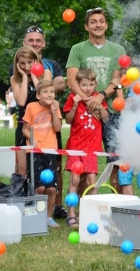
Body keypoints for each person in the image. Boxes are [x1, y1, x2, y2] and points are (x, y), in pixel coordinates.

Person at [66, 8, 125, 193]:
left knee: (115, 160)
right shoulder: (78, 49)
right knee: (84, 161)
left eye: (101, 21)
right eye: (93, 22)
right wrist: (87, 101)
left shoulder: (117, 49)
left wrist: (99, 97)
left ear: (106, 25)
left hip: (110, 111)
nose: (98, 25)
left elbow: (116, 80)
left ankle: (117, 202)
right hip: (85, 114)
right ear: (86, 26)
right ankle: (84, 202)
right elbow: (71, 80)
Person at [63, 68, 108, 229]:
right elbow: (68, 120)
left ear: (95, 84)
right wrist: (75, 106)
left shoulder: (98, 99)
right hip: (76, 147)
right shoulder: (72, 98)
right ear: (78, 85)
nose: (87, 88)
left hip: (92, 148)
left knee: (92, 182)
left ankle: (91, 214)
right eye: (83, 85)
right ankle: (71, 215)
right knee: (74, 180)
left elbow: (106, 118)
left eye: (90, 85)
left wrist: (101, 108)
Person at [21, 80, 62, 228]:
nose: (49, 94)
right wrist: (32, 139)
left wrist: (53, 111)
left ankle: (48, 217)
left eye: (52, 92)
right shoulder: (31, 107)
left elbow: (57, 128)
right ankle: (36, 216)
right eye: (45, 92)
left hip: (50, 151)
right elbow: (25, 129)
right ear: (38, 95)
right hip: (34, 152)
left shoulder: (55, 107)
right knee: (39, 188)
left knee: (51, 188)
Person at [11, 46, 52, 176]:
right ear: (17, 64)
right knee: (23, 169)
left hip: (43, 124)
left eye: (30, 62)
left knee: (43, 167)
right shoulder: (15, 79)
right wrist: (23, 77)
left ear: (36, 60)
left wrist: (34, 75)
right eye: (22, 63)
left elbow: (45, 95)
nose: (26, 66)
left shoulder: (46, 73)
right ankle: (23, 195)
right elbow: (22, 101)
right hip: (25, 124)